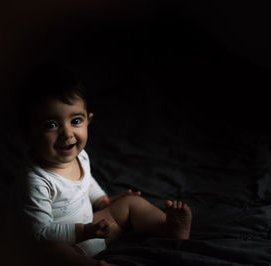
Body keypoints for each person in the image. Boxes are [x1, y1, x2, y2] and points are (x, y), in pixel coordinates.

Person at [20, 64, 192, 264]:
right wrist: (83, 231)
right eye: (51, 125)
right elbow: (39, 232)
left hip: (93, 229)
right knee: (50, 253)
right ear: (27, 134)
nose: (67, 134)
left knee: (130, 204)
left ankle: (168, 226)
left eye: (75, 121)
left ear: (88, 120)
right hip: (65, 241)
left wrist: (103, 202)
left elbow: (87, 182)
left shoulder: (79, 155)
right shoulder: (35, 181)